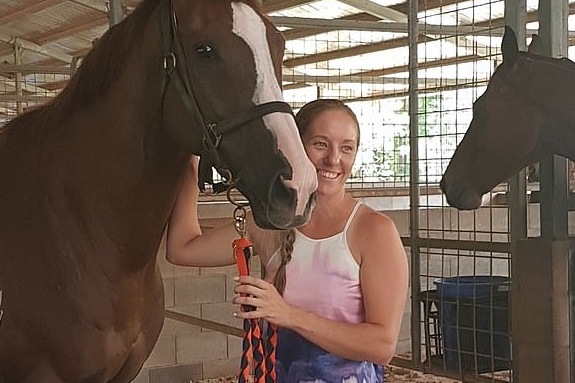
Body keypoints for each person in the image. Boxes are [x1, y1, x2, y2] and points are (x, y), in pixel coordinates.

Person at [166, 98, 409, 382]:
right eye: (320, 144)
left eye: (346, 147)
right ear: (295, 145)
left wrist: (288, 315)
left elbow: (382, 346)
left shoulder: (374, 230)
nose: (333, 159)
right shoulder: (269, 223)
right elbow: (182, 249)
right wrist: (190, 165)